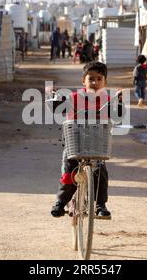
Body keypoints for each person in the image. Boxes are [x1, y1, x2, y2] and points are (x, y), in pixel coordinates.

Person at [50, 62, 124, 220]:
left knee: (101, 173)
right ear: (83, 81)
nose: (95, 82)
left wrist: (119, 101)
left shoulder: (108, 100)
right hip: (75, 142)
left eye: (99, 79)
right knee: (69, 172)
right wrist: (54, 98)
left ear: (105, 82)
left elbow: (118, 116)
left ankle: (100, 205)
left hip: (97, 144)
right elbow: (58, 109)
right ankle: (60, 202)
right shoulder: (74, 97)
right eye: (91, 79)